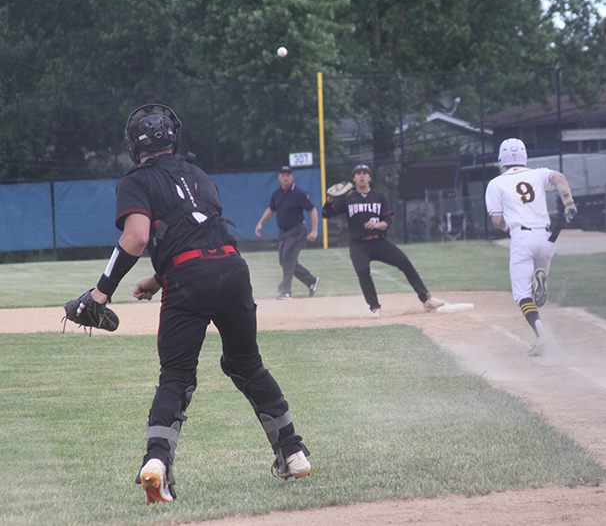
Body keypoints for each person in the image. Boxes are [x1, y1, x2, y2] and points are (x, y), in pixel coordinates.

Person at [75, 104, 310, 504]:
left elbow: (136, 238)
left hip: (188, 280)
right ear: (173, 138)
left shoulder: (136, 180)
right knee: (247, 364)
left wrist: (101, 291)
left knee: (176, 377)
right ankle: (292, 451)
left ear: (135, 145)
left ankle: (156, 464)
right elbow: (203, 234)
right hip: (233, 270)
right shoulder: (198, 174)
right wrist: (157, 278)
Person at [485, 138, 577, 353]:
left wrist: (508, 227)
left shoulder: (496, 183)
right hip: (546, 238)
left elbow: (498, 221)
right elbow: (559, 178)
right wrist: (569, 202)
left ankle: (542, 335)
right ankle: (539, 280)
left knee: (522, 296)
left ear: (502, 159)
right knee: (535, 291)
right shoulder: (537, 174)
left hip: (522, 237)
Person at [322, 164, 444, 317]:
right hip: (358, 244)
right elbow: (326, 214)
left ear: (370, 178)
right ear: (353, 179)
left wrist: (378, 224)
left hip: (379, 242)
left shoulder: (379, 196)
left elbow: (387, 221)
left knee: (405, 263)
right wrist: (330, 199)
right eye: (358, 173)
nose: (361, 176)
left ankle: (427, 300)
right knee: (362, 271)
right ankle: (375, 307)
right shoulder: (347, 199)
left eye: (365, 173)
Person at [255, 166, 320, 300]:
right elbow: (272, 209)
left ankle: (286, 291)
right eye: (283, 175)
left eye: (288, 175)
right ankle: (311, 281)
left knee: (288, 260)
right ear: (279, 177)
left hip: (297, 230)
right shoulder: (277, 193)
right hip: (284, 232)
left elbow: (313, 210)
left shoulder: (299, 193)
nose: (285, 178)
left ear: (292, 177)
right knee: (284, 261)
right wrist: (261, 222)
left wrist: (314, 231)